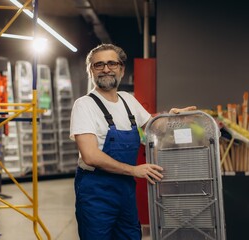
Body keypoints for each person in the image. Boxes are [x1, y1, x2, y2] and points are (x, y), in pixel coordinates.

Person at [69, 43, 196, 240]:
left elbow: (155, 129)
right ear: (90, 71)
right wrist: (134, 170)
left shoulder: (128, 100)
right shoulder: (84, 105)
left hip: (125, 192)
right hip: (96, 193)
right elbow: (90, 155)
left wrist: (172, 119)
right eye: (98, 65)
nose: (106, 69)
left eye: (112, 63)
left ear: (121, 69)